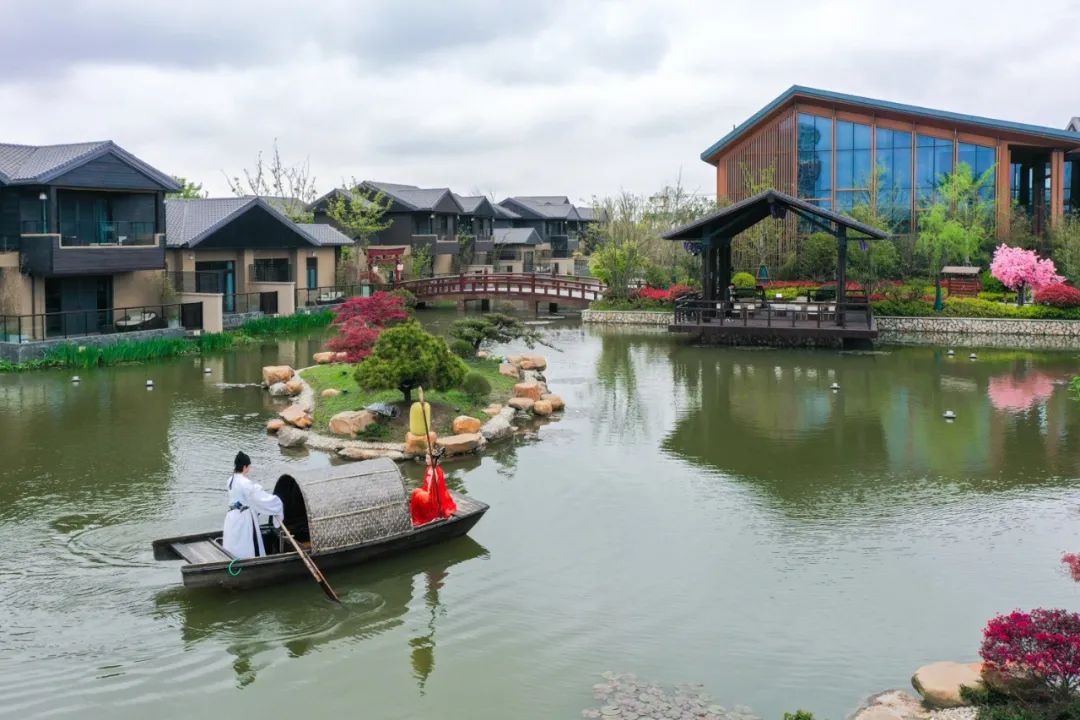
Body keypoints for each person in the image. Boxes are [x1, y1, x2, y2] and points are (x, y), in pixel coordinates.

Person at [223, 451, 284, 558]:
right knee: (247, 542)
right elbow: (259, 498)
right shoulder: (245, 483)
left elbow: (246, 498)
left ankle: (233, 558)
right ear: (245, 467)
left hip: (232, 517)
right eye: (249, 466)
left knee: (234, 541)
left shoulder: (230, 480)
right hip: (243, 518)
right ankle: (248, 559)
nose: (249, 469)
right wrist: (276, 502)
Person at [410, 451, 456, 526]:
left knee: (418, 496)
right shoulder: (429, 468)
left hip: (433, 497)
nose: (426, 460)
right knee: (415, 491)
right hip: (428, 492)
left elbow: (438, 489)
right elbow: (426, 485)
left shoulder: (437, 471)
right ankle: (416, 517)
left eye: (428, 459)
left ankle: (419, 519)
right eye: (426, 458)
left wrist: (436, 478)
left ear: (433, 460)